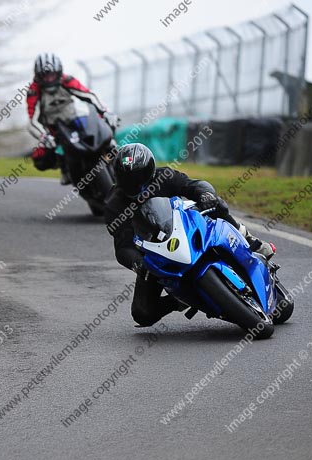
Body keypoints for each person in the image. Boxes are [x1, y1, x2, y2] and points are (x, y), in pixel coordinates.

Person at [104, 143, 275, 327]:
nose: (136, 185)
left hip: (186, 229)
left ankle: (249, 239)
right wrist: (138, 264)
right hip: (155, 255)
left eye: (139, 177)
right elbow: (123, 247)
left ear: (151, 171)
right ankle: (182, 300)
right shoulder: (114, 205)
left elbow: (193, 185)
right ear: (118, 179)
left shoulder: (164, 177)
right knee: (142, 313)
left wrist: (205, 194)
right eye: (129, 180)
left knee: (216, 205)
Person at [27, 53, 118, 185]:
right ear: (38, 76)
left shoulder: (66, 80)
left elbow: (88, 95)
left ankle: (115, 154)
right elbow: (32, 120)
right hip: (53, 127)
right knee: (42, 156)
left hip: (73, 117)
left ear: (58, 72)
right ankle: (65, 167)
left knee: (103, 131)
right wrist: (44, 136)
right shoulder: (33, 90)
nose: (49, 80)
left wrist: (106, 112)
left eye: (52, 75)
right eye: (45, 76)